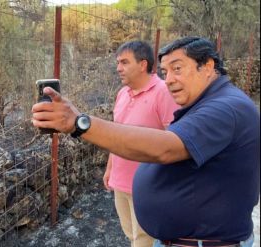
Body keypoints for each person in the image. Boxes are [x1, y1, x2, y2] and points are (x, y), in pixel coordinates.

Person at [32, 37, 259, 247]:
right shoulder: (208, 101)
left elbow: (166, 147)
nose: (169, 80)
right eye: (165, 71)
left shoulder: (226, 108)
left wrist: (79, 123)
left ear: (208, 66)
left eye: (177, 69)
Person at [104, 40, 179, 247]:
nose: (118, 68)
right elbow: (115, 135)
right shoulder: (122, 93)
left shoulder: (164, 93)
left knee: (145, 241)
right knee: (131, 235)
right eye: (118, 62)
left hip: (149, 187)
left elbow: (174, 142)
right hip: (121, 182)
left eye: (125, 62)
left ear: (143, 64)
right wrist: (110, 169)